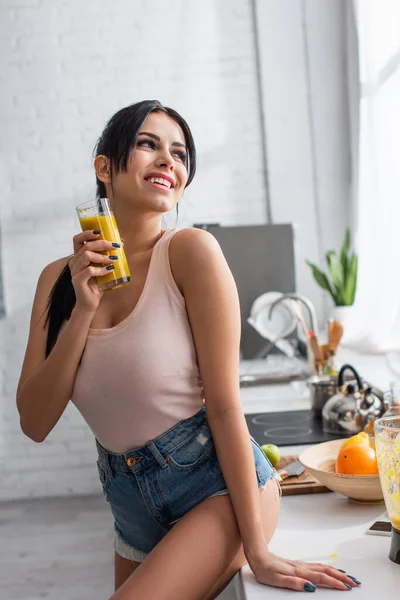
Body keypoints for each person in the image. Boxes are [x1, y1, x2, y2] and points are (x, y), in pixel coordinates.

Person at [16, 100, 358, 599]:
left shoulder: (190, 252)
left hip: (213, 488)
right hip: (129, 499)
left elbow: (224, 405)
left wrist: (257, 550)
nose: (167, 161)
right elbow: (35, 421)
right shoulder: (58, 281)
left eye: (179, 153)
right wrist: (84, 309)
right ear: (104, 167)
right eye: (147, 144)